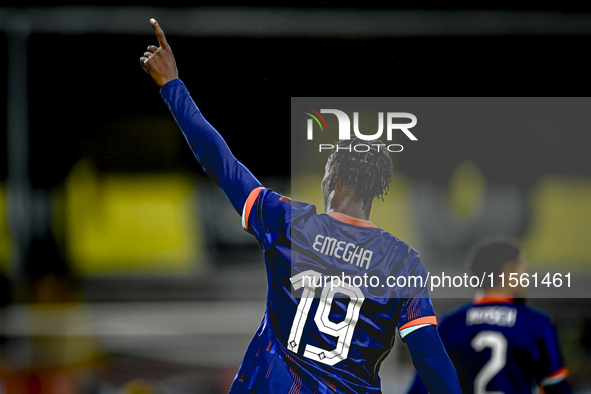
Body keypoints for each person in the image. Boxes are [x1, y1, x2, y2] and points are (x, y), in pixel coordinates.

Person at [140, 18, 461, 394]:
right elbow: (430, 360)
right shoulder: (403, 262)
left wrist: (172, 86)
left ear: (334, 180)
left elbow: (222, 164)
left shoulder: (288, 222)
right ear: (373, 191)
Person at [406, 236, 572, 394]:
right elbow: (557, 389)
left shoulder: (449, 325)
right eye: (523, 270)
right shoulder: (537, 325)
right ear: (508, 273)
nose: (526, 279)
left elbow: (421, 388)